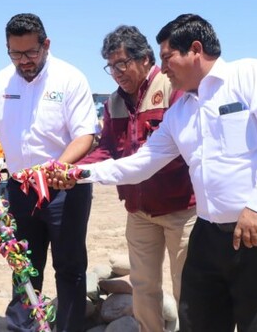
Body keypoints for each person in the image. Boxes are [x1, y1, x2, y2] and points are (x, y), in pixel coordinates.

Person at [72, 14, 257, 332]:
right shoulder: (181, 112)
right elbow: (142, 163)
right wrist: (79, 174)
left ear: (195, 49)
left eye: (168, 57)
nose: (164, 67)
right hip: (209, 235)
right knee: (200, 320)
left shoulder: (250, 76)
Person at [0, 13, 100, 332]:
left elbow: (85, 134)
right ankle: (22, 327)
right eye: (15, 53)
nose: (24, 61)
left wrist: (57, 167)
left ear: (46, 45)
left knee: (70, 266)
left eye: (31, 52)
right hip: (18, 190)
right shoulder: (1, 82)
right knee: (24, 265)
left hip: (65, 190)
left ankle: (69, 327)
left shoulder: (70, 78)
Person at [78, 25, 196, 331]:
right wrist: (75, 171)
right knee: (143, 287)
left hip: (181, 209)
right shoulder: (113, 103)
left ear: (145, 58)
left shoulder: (173, 90)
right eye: (110, 66)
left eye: (122, 63)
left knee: (189, 286)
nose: (116, 73)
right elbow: (106, 150)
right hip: (139, 211)